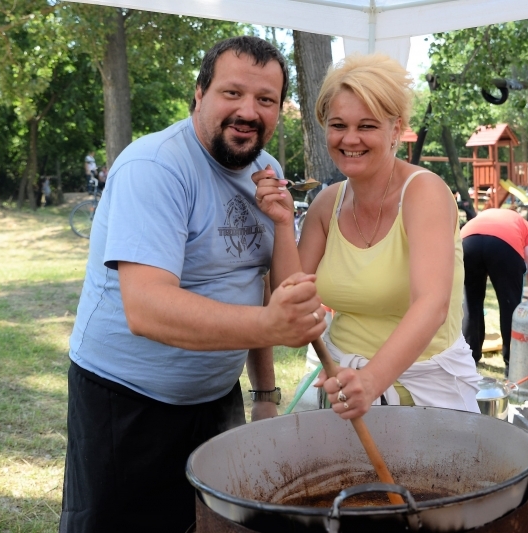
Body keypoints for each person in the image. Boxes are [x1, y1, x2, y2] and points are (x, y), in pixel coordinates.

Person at [59, 36, 327, 533]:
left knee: (212, 524)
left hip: (215, 398)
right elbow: (147, 308)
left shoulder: (267, 171)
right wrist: (269, 323)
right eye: (232, 93)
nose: (248, 111)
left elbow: (267, 287)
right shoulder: (155, 167)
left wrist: (264, 392)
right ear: (200, 94)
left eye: (265, 99)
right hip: (127, 401)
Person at [254, 54, 482, 418]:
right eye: (338, 125)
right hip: (342, 385)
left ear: (395, 129)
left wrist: (371, 380)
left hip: (425, 393)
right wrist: (282, 223)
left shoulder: (424, 193)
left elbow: (432, 304)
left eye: (367, 126)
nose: (350, 139)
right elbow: (292, 299)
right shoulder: (327, 204)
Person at [460, 208, 528, 375]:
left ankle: (468, 359)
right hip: (504, 245)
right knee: (509, 305)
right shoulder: (525, 225)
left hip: (467, 241)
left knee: (471, 303)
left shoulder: (484, 215)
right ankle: (513, 363)